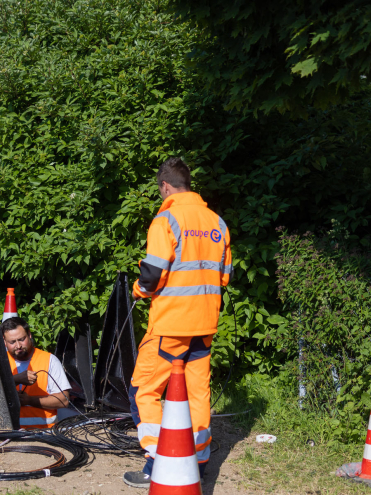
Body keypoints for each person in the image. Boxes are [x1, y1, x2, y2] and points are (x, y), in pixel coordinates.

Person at [123, 157, 232, 488]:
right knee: (196, 395)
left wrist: (138, 290)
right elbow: (223, 278)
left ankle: (159, 463)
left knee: (143, 390)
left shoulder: (165, 219)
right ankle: (196, 463)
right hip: (205, 323)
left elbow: (152, 274)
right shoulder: (218, 223)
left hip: (171, 325)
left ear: (165, 186)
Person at [2, 317, 71, 429]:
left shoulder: (49, 360)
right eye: (12, 342)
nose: (18, 345)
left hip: (45, 432)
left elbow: (64, 400)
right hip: (8, 433)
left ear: (29, 335)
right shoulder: (0, 362)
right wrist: (15, 379)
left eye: (21, 339)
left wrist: (30, 400)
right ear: (4, 342)